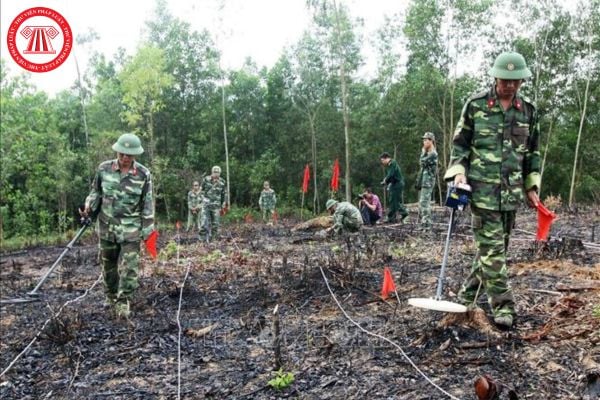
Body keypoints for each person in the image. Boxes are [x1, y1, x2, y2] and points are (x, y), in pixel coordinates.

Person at [444, 51, 541, 329]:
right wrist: (458, 171)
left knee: (492, 251)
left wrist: (532, 186)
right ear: (495, 76)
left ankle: (466, 297)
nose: (510, 85)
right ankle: (503, 306)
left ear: (522, 80)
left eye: (516, 80)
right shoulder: (475, 106)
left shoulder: (528, 111)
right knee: (494, 252)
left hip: (511, 194)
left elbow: (532, 153)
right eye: (505, 79)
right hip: (482, 192)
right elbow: (459, 145)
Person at [79, 133, 154, 318]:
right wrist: (89, 206)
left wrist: (148, 229)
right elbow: (95, 192)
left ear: (135, 155)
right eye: (122, 154)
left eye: (129, 155)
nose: (125, 158)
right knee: (108, 266)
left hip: (131, 230)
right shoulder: (104, 169)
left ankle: (123, 301)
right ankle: (111, 297)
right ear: (117, 151)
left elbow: (147, 203)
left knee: (130, 267)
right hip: (107, 227)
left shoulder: (144, 174)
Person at [416, 132, 438, 229]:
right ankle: (424, 224)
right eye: (424, 140)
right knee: (424, 202)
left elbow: (422, 162)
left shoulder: (432, 153)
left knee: (424, 202)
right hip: (425, 180)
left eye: (426, 140)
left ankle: (426, 225)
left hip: (428, 181)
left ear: (431, 141)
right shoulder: (428, 153)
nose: (424, 142)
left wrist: (423, 152)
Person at [379, 152, 409, 224]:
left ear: (387, 158)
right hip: (393, 184)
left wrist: (385, 180)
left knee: (395, 201)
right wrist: (386, 182)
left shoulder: (393, 163)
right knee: (392, 201)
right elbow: (390, 176)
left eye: (383, 160)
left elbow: (391, 174)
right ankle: (391, 217)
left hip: (398, 184)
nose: (382, 162)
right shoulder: (389, 166)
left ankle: (405, 213)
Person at [200, 165, 227, 240]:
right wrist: (203, 199)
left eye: (218, 172)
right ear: (212, 172)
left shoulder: (222, 182)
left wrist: (223, 204)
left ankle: (214, 241)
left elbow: (223, 194)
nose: (216, 174)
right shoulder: (206, 179)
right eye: (214, 172)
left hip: (216, 206)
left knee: (216, 225)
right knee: (204, 224)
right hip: (206, 205)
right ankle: (202, 241)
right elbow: (201, 190)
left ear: (220, 173)